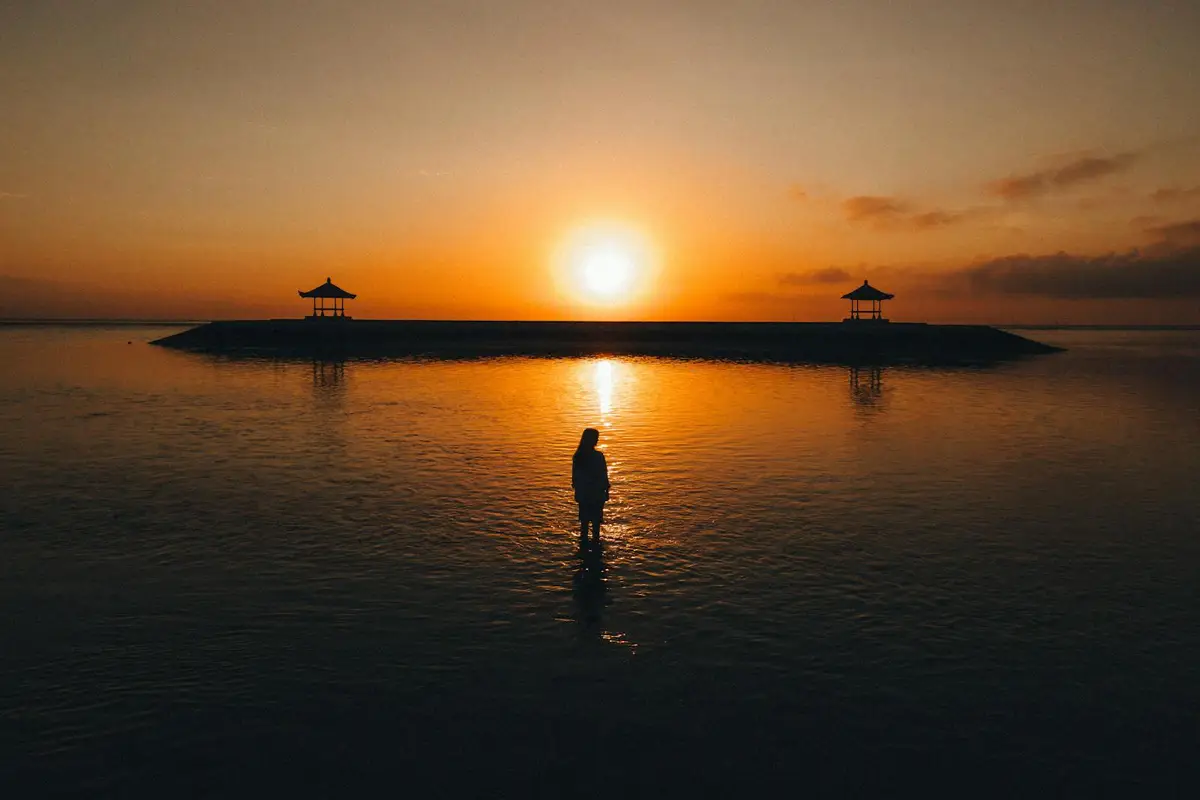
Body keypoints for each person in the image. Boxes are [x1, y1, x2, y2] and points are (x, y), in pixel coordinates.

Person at [572, 427, 610, 547]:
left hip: (584, 493)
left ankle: (583, 548)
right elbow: (603, 475)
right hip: (596, 493)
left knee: (584, 522)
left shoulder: (578, 456)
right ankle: (595, 547)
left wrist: (578, 491)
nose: (597, 441)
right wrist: (606, 490)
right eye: (596, 438)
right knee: (595, 523)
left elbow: (575, 478)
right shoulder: (598, 456)